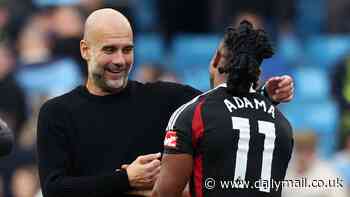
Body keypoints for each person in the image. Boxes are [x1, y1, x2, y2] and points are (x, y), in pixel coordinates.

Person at [37, 9, 294, 197]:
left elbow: (220, 108)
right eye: (109, 50)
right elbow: (55, 189)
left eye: (127, 50)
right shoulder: (57, 112)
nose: (119, 60)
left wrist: (263, 96)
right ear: (85, 50)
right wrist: (125, 179)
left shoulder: (167, 98)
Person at [153, 21, 294, 197]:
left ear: (217, 59)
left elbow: (165, 194)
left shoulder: (194, 114)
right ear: (256, 69)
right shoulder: (282, 124)